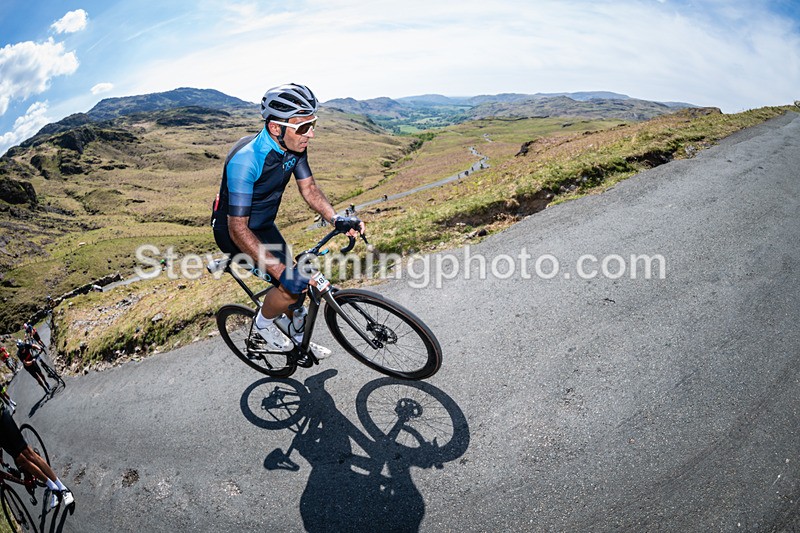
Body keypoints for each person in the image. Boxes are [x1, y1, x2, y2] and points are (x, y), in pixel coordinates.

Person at [211, 83, 364, 364]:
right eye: (303, 127)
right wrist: (281, 272)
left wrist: (336, 218)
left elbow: (309, 189)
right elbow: (238, 229)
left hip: (264, 226)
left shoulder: (293, 146)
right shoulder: (246, 161)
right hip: (235, 233)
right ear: (275, 128)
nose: (311, 133)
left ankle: (296, 338)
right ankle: (261, 328)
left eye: (313, 124)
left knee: (298, 286)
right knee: (288, 284)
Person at [0, 404, 74, 509]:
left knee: (28, 453)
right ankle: (53, 488)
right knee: (21, 461)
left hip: (2, 418)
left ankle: (63, 489)